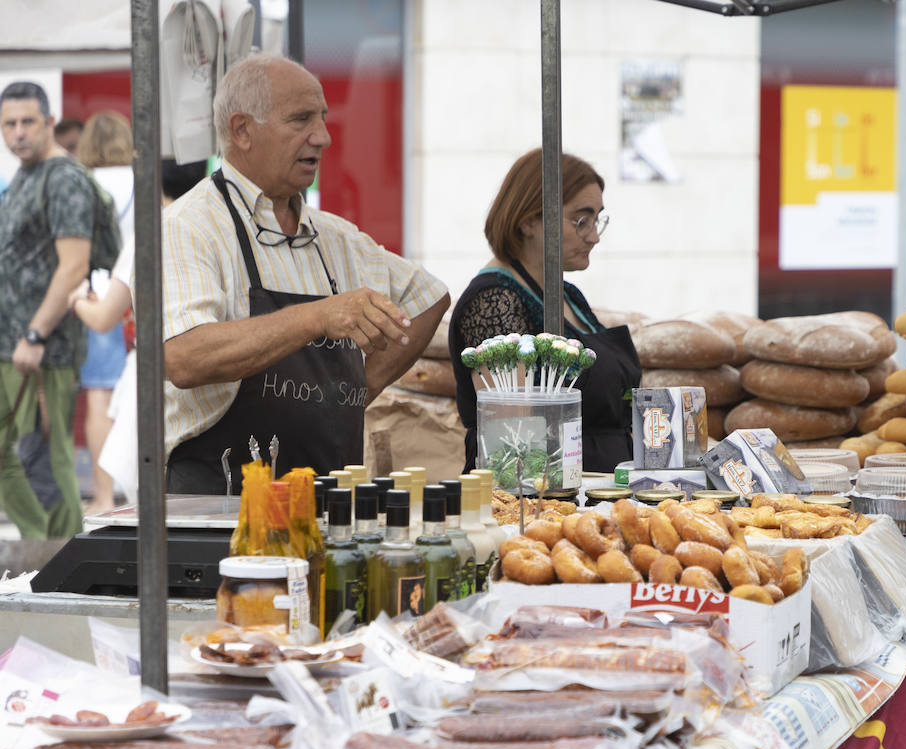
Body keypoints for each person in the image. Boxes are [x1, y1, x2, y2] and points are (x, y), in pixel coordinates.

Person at [161, 56, 449, 494]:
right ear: (241, 130)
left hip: (328, 512)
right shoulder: (190, 226)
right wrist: (319, 316)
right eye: (301, 120)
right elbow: (184, 356)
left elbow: (428, 297)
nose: (324, 137)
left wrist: (360, 387)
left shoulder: (336, 238)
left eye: (323, 119)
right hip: (219, 514)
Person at [447, 149, 641, 473]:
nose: (593, 236)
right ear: (527, 221)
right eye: (581, 220)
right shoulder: (495, 301)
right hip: (541, 501)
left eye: (597, 220)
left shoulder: (568, 295)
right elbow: (513, 442)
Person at [69, 159, 207, 503]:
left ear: (155, 182)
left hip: (155, 373)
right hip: (211, 372)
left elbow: (103, 317)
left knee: (152, 489)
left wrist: (76, 302)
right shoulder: (214, 229)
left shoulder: (154, 231)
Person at [0, 82, 92, 539]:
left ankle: (64, 566)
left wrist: (35, 334)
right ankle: (40, 551)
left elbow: (74, 265)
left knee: (51, 463)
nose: (18, 133)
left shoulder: (63, 178)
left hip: (43, 349)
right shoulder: (25, 175)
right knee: (7, 456)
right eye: (9, 124)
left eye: (27, 122)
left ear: (49, 122)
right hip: (9, 342)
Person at [72, 111, 135, 513]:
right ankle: (137, 488)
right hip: (136, 299)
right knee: (135, 397)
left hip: (97, 300)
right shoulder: (141, 183)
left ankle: (104, 493)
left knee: (99, 399)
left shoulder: (84, 184)